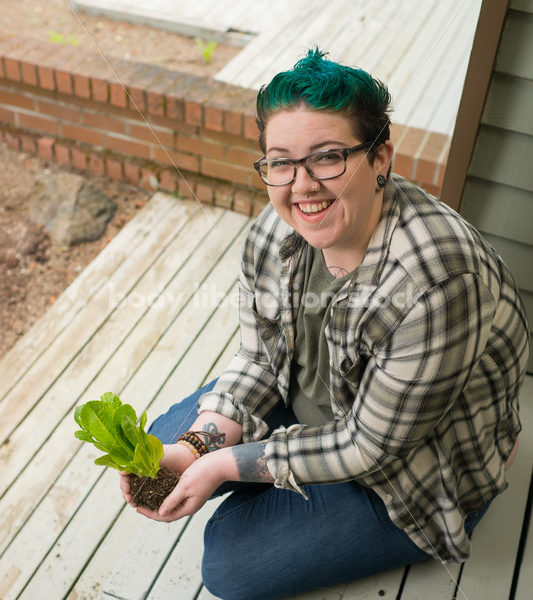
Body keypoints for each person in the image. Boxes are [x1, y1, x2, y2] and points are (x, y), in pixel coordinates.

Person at [120, 49, 529, 600]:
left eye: (329, 157)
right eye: (281, 161)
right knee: (161, 448)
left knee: (228, 564)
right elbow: (262, 359)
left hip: (411, 469)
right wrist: (198, 447)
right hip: (320, 407)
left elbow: (368, 445)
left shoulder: (438, 281)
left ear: (380, 157)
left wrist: (224, 467)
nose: (302, 185)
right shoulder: (275, 232)